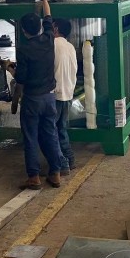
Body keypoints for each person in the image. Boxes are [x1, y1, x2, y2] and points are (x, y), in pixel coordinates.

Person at [11, 0, 63, 190]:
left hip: (32, 100)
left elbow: (21, 78)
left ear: (24, 31)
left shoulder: (23, 50)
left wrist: (9, 68)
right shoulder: (49, 39)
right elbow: (48, 17)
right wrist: (45, 0)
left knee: (31, 137)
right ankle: (55, 173)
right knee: (51, 134)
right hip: (49, 98)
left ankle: (34, 177)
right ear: (40, 27)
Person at [52, 18, 77, 175]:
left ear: (55, 29)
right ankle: (70, 158)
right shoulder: (70, 47)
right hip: (68, 93)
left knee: (50, 131)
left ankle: (63, 164)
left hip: (55, 94)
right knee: (61, 129)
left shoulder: (53, 44)